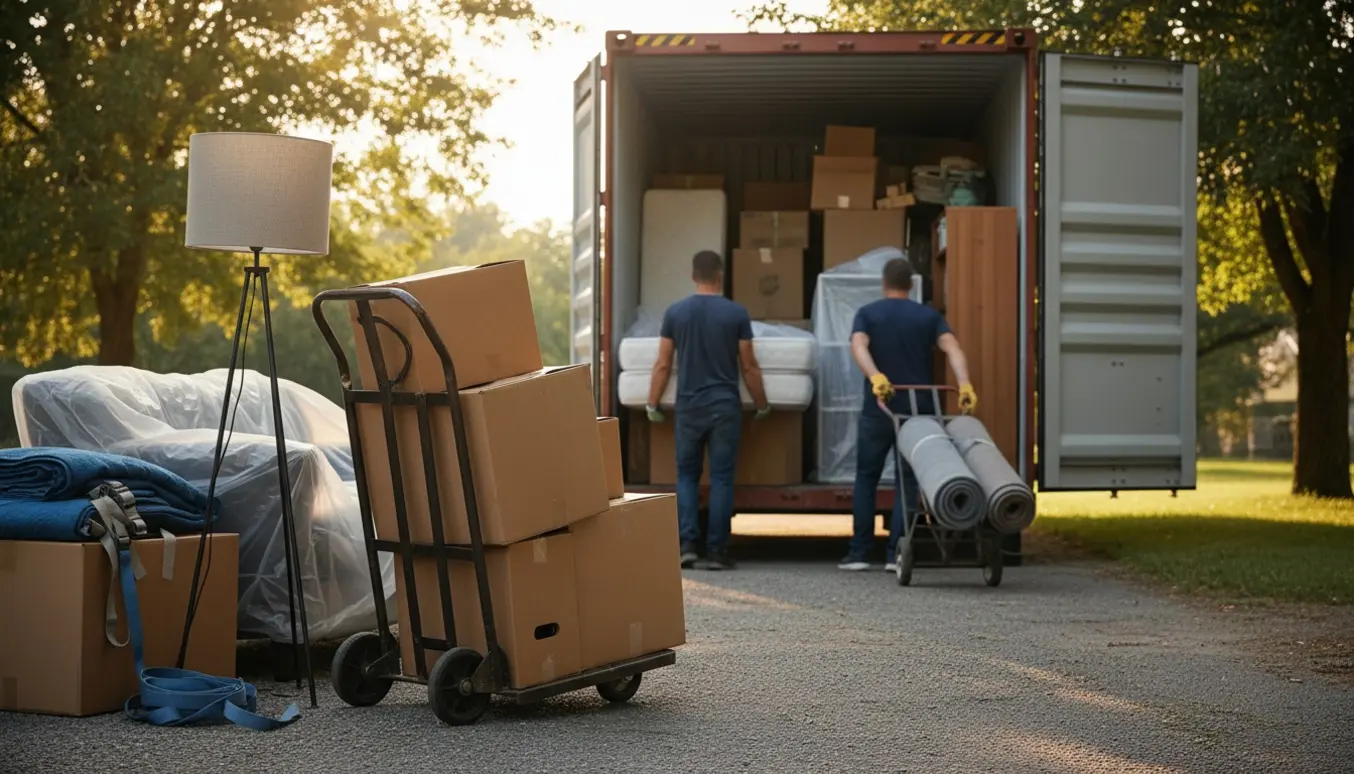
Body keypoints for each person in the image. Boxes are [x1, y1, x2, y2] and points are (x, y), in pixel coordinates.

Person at [839, 256, 976, 572]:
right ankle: (896, 554)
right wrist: (965, 384)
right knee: (908, 481)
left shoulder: (867, 314)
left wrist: (876, 377)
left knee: (866, 478)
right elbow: (953, 349)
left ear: (884, 283)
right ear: (911, 285)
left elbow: (858, 346)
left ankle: (859, 553)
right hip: (919, 412)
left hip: (880, 408)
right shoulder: (927, 316)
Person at [646, 250, 771, 571]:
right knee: (721, 478)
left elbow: (663, 364)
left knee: (686, 476)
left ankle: (687, 546)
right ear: (721, 276)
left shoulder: (676, 313)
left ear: (693, 276)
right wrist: (761, 404)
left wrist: (652, 402)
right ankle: (717, 551)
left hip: (689, 407)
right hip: (724, 407)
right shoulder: (736, 314)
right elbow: (750, 366)